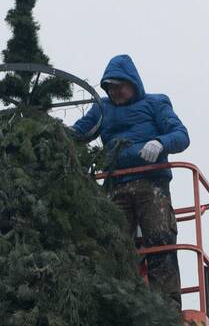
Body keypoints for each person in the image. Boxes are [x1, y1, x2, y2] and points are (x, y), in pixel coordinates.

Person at [72, 54, 189, 307]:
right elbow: (79, 132)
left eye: (119, 86)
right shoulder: (102, 109)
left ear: (132, 82)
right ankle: (120, 304)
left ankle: (166, 303)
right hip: (116, 186)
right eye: (110, 87)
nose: (115, 92)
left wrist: (160, 143)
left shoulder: (156, 104)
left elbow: (181, 135)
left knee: (159, 236)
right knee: (114, 243)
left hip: (151, 184)